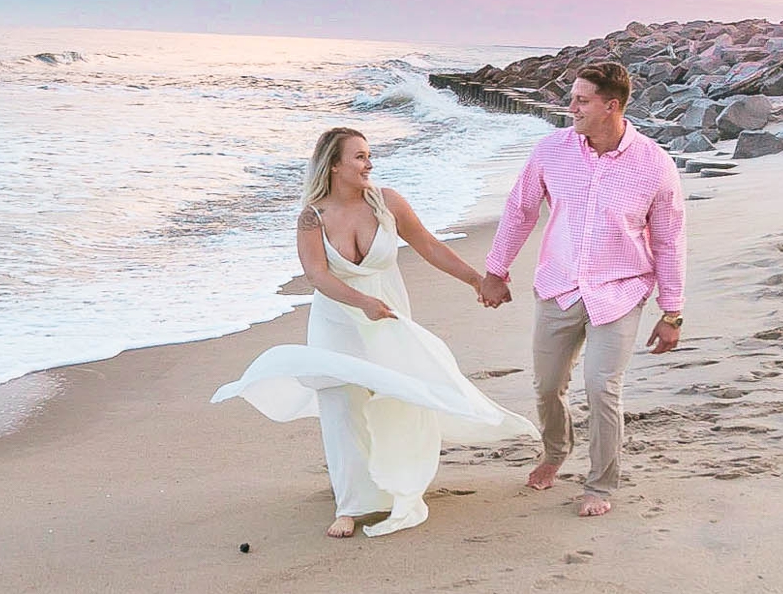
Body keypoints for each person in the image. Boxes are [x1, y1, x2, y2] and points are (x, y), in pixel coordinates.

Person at [212, 128, 536, 538]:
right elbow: (316, 275)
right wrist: (359, 301)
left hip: (387, 319)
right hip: (337, 319)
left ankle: (394, 482)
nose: (369, 164)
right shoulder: (313, 216)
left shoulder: (387, 203)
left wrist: (477, 281)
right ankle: (349, 505)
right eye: (360, 157)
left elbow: (429, 246)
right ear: (334, 165)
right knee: (341, 405)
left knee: (395, 398)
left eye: (369, 156)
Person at [478, 61, 686, 518]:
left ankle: (599, 483)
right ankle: (555, 451)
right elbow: (520, 211)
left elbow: (669, 240)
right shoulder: (551, 151)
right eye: (573, 98)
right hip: (559, 286)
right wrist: (497, 270)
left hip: (621, 291)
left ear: (611, 106)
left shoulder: (654, 164)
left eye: (582, 101)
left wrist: (671, 313)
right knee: (547, 385)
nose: (570, 107)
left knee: (601, 386)